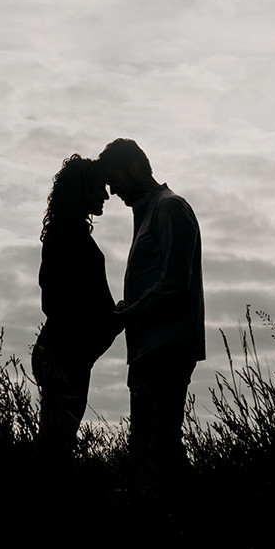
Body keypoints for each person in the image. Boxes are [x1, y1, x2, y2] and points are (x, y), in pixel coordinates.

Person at [98, 138, 204, 473]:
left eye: (115, 180)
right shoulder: (149, 212)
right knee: (153, 449)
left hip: (166, 348)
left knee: (156, 448)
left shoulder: (169, 208)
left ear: (135, 166)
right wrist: (125, 308)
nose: (113, 191)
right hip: (149, 348)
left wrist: (125, 315)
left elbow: (173, 284)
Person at [32, 154, 122, 456]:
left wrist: (112, 317)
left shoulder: (69, 231)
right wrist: (112, 318)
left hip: (67, 351)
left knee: (59, 441)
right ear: (81, 190)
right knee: (57, 444)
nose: (106, 195)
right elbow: (58, 299)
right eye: (98, 187)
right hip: (64, 352)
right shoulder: (67, 233)